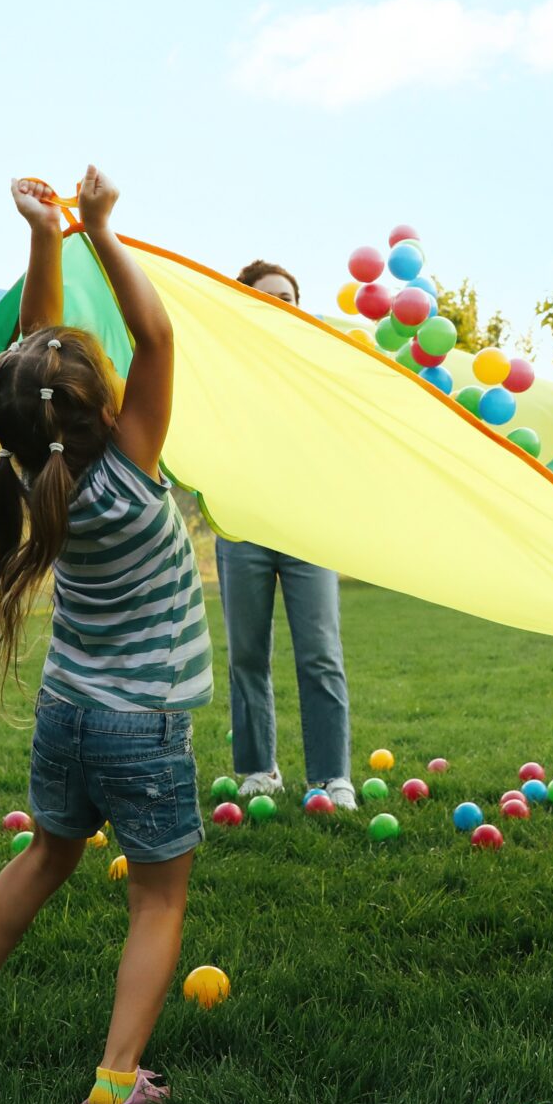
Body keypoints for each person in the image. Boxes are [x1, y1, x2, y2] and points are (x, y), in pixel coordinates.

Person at [0, 168, 211, 1104]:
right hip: (143, 724)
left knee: (46, 854)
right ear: (95, 407)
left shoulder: (28, 471)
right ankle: (116, 1084)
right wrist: (101, 229)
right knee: (157, 900)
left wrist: (48, 236)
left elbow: (27, 362)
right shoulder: (131, 470)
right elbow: (157, 335)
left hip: (65, 715)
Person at [219, 258, 356, 811]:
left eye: (290, 298)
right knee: (247, 654)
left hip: (307, 527)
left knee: (320, 653)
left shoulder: (316, 365)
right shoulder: (224, 368)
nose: (283, 304)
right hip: (243, 524)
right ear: (246, 300)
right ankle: (258, 770)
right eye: (270, 296)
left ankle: (331, 777)